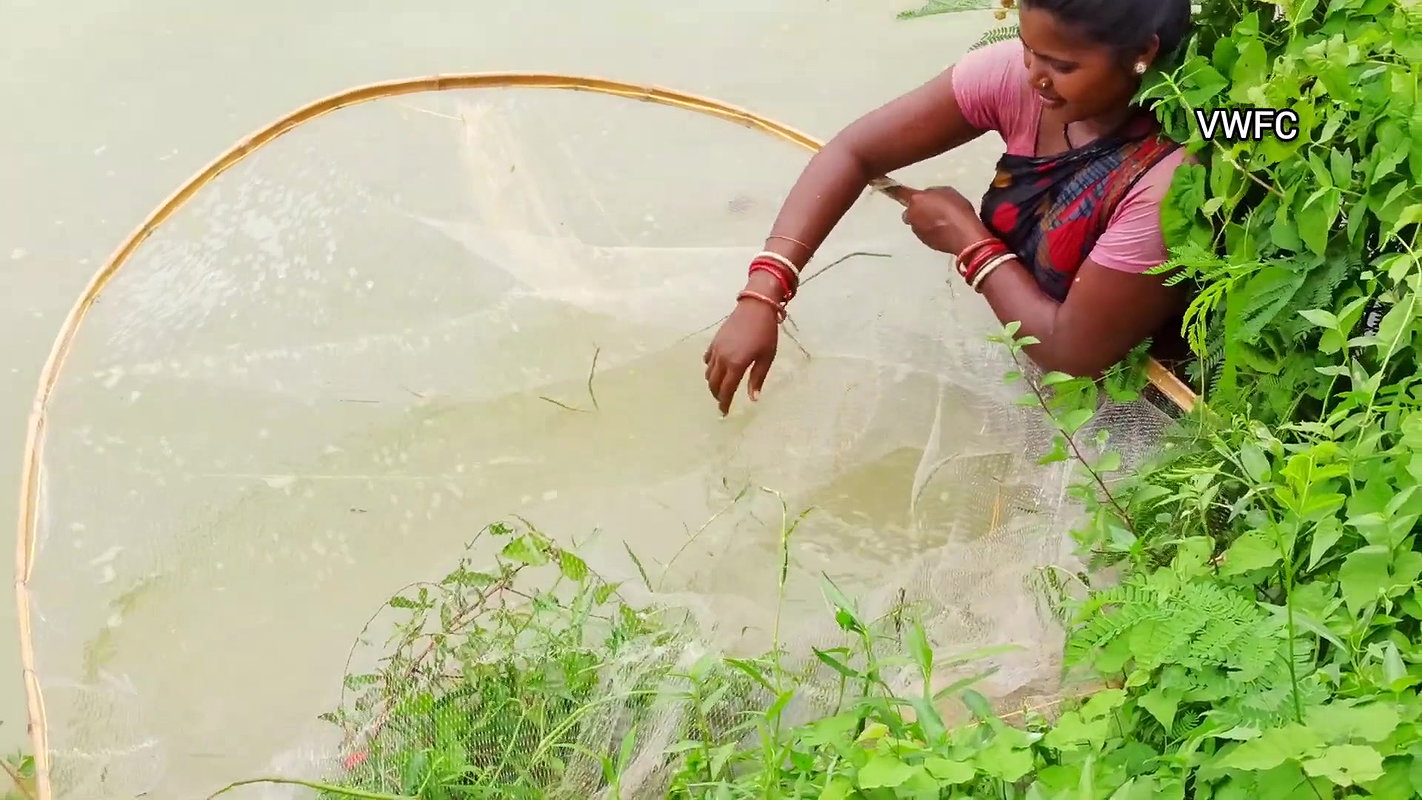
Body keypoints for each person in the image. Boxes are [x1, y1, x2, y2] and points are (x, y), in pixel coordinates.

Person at [702, 0, 1194, 416]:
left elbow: (1073, 356)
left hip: (1146, 405)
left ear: (1143, 52)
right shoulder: (1018, 82)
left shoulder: (1168, 176)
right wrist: (763, 293)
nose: (1035, 77)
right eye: (1027, 48)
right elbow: (854, 153)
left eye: (1062, 66)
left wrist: (968, 240)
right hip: (1033, 366)